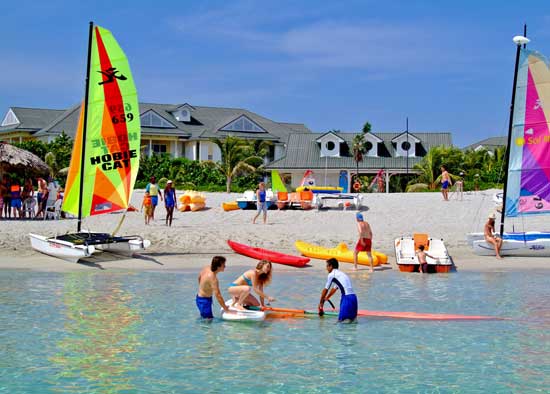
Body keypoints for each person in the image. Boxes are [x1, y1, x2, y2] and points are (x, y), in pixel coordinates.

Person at [318, 258, 358, 323]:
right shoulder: (341, 274)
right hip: (353, 298)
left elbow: (325, 289)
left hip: (346, 298)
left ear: (331, 266)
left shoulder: (331, 275)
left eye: (327, 266)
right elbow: (335, 288)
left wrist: (320, 304)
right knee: (352, 322)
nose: (326, 268)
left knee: (340, 322)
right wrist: (327, 298)